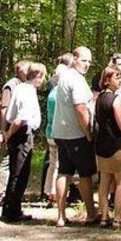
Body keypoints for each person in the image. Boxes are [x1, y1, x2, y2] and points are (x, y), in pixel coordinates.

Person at [52, 46, 98, 227]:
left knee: (64, 171)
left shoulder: (64, 77)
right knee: (85, 174)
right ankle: (91, 213)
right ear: (75, 58)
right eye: (83, 60)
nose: (86, 64)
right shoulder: (77, 80)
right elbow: (80, 108)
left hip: (61, 132)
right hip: (76, 134)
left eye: (89, 62)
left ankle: (61, 216)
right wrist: (88, 131)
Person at [1, 62, 46, 222]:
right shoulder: (27, 91)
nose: (43, 81)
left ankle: (10, 208)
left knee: (16, 171)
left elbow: (9, 113)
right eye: (43, 77)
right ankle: (12, 211)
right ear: (38, 76)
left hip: (17, 133)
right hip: (22, 134)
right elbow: (20, 119)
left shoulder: (20, 87)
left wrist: (8, 132)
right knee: (19, 173)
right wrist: (9, 133)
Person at [95, 66, 121, 229]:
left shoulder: (99, 98)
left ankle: (104, 216)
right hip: (117, 145)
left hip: (102, 145)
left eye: (120, 77)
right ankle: (117, 217)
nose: (119, 80)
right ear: (106, 80)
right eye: (116, 77)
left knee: (104, 181)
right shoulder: (115, 100)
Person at [0, 60, 30, 206]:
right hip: (10, 127)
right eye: (26, 70)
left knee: (15, 161)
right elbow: (4, 109)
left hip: (19, 128)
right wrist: (3, 131)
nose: (28, 73)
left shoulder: (24, 85)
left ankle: (11, 193)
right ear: (19, 70)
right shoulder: (11, 85)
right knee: (6, 161)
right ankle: (0, 194)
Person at [43, 54, 73, 204]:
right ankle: (55, 193)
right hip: (58, 134)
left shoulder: (52, 93)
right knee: (58, 165)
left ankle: (49, 191)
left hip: (50, 133)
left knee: (53, 164)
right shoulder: (59, 95)